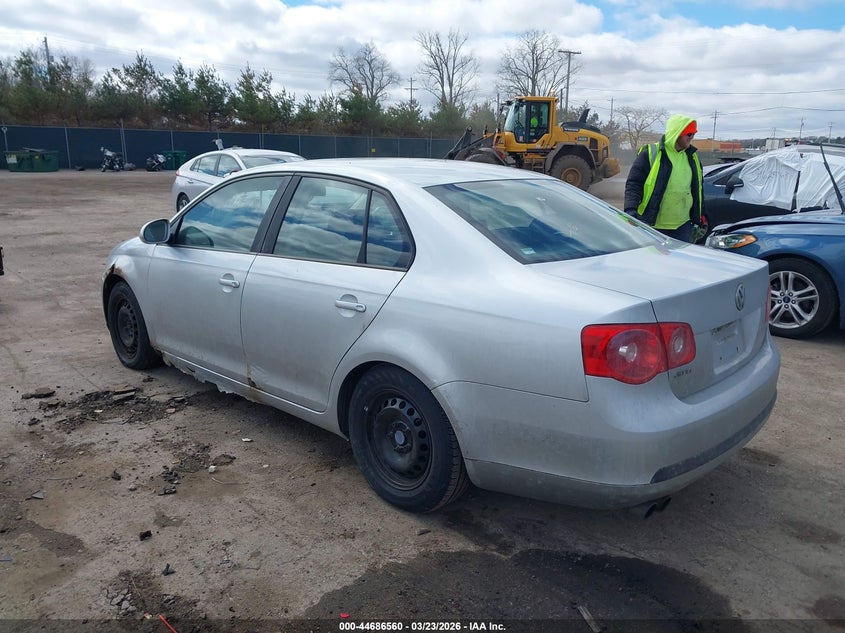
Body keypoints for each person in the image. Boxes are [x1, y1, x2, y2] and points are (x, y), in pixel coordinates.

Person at [624, 114, 704, 243]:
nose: (692, 137)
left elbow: (698, 188)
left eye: (694, 134)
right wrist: (630, 209)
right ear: (676, 133)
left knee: (679, 263)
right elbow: (634, 183)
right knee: (653, 262)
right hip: (652, 225)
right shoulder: (651, 153)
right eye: (689, 134)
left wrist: (700, 214)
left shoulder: (692, 157)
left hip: (683, 227)